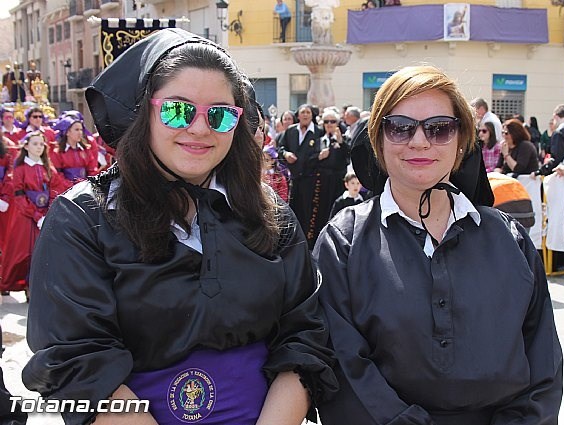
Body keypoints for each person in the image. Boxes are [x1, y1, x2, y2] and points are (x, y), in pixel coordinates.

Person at [22, 28, 337, 425]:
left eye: (220, 114)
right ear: (144, 113)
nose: (200, 129)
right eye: (178, 110)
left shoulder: (269, 214)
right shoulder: (83, 218)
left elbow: (305, 335)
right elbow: (76, 359)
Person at [314, 65, 562, 424]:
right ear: (377, 139)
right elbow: (342, 365)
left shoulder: (509, 239)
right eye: (399, 127)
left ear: (462, 139)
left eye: (439, 128)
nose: (419, 142)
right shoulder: (343, 242)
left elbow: (544, 365)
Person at [0, 131, 64, 297]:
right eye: (35, 144)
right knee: (25, 252)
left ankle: (39, 286)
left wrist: (48, 212)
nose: (38, 147)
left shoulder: (48, 167)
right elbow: (19, 195)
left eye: (41, 144)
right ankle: (25, 285)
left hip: (45, 214)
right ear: (26, 146)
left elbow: (54, 189)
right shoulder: (20, 168)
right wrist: (36, 215)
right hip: (26, 216)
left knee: (45, 252)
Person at [277, 104, 325, 248]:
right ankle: (293, 240)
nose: (305, 115)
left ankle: (309, 242)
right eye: (302, 112)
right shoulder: (291, 131)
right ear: (298, 115)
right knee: (293, 208)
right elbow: (280, 147)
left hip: (311, 179)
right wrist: (286, 154)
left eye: (308, 112)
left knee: (308, 210)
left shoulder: (318, 132)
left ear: (312, 115)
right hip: (293, 178)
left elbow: (322, 153)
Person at [50, 115, 99, 190]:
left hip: (85, 189)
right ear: (67, 132)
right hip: (66, 191)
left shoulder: (86, 150)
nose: (80, 133)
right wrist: (71, 187)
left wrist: (88, 185)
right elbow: (57, 175)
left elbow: (92, 170)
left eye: (81, 130)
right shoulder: (58, 152)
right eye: (76, 130)